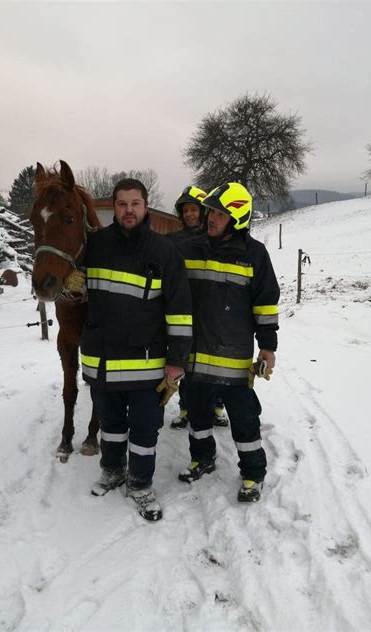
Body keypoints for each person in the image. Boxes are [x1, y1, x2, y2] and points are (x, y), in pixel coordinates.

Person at [79, 178, 193, 521]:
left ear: (145, 206)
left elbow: (180, 311)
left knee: (144, 429)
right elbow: (75, 289)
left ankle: (141, 484)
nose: (128, 210)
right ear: (114, 208)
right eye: (121, 204)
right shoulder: (95, 245)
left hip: (146, 364)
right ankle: (113, 469)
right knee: (110, 423)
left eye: (135, 204)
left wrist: (176, 362)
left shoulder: (163, 252)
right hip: (103, 359)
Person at [177, 182, 279, 503]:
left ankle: (253, 473)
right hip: (195, 354)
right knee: (197, 410)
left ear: (236, 218)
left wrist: (267, 346)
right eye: (211, 211)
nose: (211, 218)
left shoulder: (255, 256)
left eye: (220, 213)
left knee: (244, 416)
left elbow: (265, 304)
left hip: (233, 359)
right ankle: (203, 458)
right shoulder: (190, 249)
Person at [167, 186, 229, 430]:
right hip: (186, 311)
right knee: (186, 361)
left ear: (203, 212)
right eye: (186, 210)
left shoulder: (216, 238)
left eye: (194, 209)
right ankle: (186, 408)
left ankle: (217, 406)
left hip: (213, 311)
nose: (190, 214)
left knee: (215, 362)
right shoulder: (174, 241)